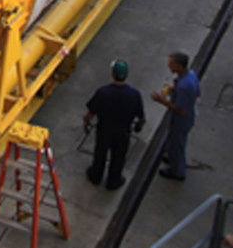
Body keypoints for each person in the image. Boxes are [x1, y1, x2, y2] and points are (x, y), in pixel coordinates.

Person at [84, 59, 145, 190]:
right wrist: (139, 125)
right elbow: (141, 116)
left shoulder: (103, 92)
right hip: (123, 132)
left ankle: (95, 176)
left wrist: (86, 122)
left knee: (100, 153)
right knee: (119, 157)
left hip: (104, 130)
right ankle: (114, 181)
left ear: (112, 74)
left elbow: (91, 112)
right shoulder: (134, 95)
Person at [152, 51, 200, 180]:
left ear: (179, 66)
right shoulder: (191, 75)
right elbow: (197, 93)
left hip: (181, 120)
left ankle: (177, 171)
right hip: (189, 116)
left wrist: (163, 101)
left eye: (171, 64)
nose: (169, 66)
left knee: (177, 143)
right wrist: (174, 91)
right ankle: (171, 157)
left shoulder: (184, 86)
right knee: (175, 141)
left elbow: (181, 110)